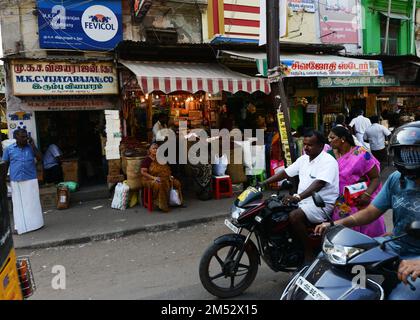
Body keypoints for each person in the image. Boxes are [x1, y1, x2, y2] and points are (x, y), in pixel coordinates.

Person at [315, 121, 420, 299]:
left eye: (416, 151)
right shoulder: (397, 179)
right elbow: (371, 211)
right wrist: (336, 224)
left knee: (399, 297)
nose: (410, 157)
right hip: (395, 244)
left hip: (416, 257)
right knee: (332, 257)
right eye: (405, 151)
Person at [261, 130, 339, 263]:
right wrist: (264, 182)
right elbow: (285, 172)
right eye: (305, 144)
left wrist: (297, 197)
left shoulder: (328, 162)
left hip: (320, 204)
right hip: (303, 201)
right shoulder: (303, 159)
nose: (306, 148)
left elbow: (318, 184)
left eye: (310, 145)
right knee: (275, 211)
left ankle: (308, 252)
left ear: (320, 146)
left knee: (294, 216)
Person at [327, 126, 385, 237]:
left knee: (369, 235)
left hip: (360, 200)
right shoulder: (329, 155)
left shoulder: (361, 154)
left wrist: (367, 194)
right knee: (344, 237)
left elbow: (376, 178)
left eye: (332, 137)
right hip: (341, 203)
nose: (329, 140)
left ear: (342, 138)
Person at [2, 129, 44, 234]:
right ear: (16, 137)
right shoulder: (9, 149)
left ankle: (35, 223)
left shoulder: (31, 148)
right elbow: (5, 165)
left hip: (31, 178)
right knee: (18, 205)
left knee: (32, 203)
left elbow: (40, 158)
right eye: (23, 137)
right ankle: (20, 226)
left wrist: (33, 145)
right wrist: (3, 179)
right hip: (17, 180)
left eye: (26, 136)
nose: (25, 139)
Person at [140, 143, 184, 212]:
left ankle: (177, 202)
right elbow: (143, 172)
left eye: (156, 148)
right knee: (160, 184)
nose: (155, 150)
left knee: (176, 182)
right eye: (153, 148)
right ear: (150, 150)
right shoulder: (147, 160)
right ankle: (162, 205)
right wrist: (154, 178)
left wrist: (169, 176)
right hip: (148, 179)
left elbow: (166, 169)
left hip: (162, 177)